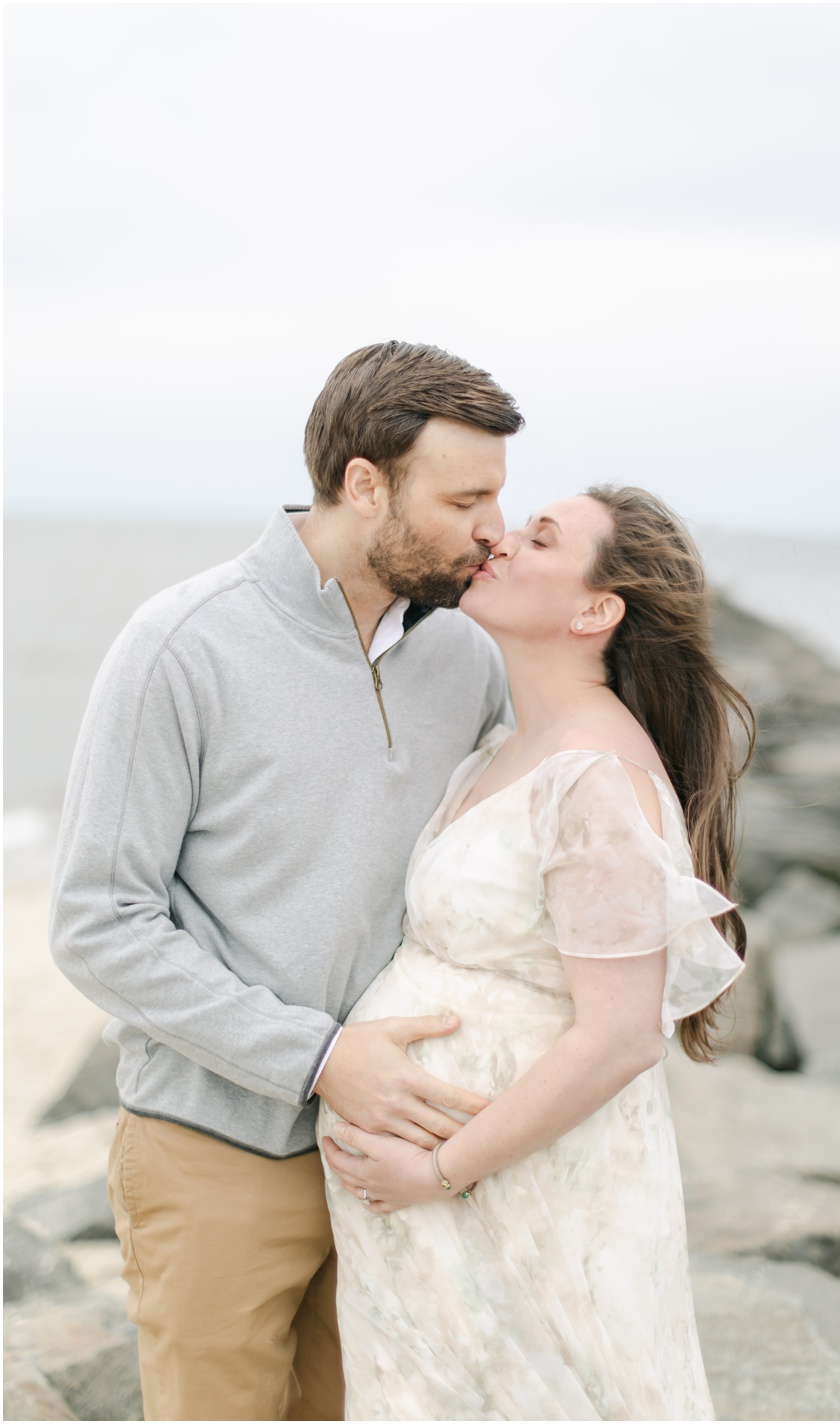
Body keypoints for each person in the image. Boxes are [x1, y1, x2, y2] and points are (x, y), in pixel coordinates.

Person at [50, 340, 525, 1419]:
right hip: (217, 1152)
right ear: (366, 484)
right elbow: (96, 923)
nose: (493, 526)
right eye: (466, 498)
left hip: (397, 1161)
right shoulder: (180, 645)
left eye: (498, 496)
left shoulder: (469, 661)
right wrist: (317, 1058)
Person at [315, 486, 750, 1420]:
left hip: (520, 1205)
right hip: (452, 1215)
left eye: (539, 538)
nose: (500, 541)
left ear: (596, 610)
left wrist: (437, 1170)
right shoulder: (511, 750)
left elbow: (623, 1036)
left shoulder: (596, 779)